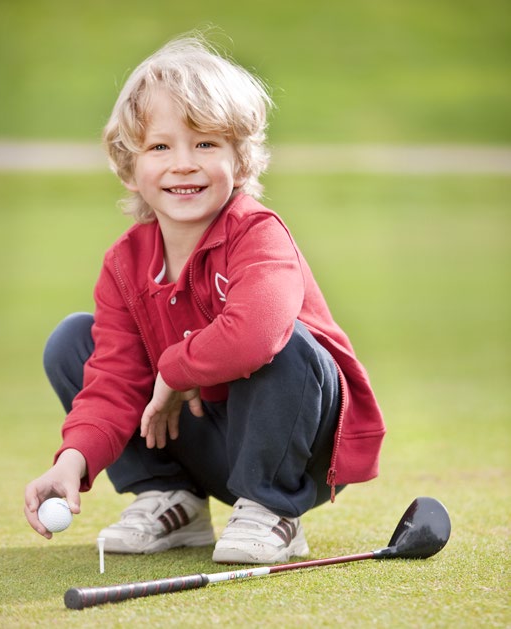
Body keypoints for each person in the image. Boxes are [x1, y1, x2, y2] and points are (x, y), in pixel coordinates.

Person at [24, 34, 385, 565]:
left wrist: (175, 371)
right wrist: (72, 460)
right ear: (131, 164)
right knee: (72, 340)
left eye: (207, 144)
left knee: (284, 343)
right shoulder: (124, 264)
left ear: (240, 161)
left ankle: (272, 509)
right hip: (206, 444)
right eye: (160, 147)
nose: (184, 164)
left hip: (295, 445)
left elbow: (256, 335)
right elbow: (113, 379)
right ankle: (172, 499)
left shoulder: (258, 234)